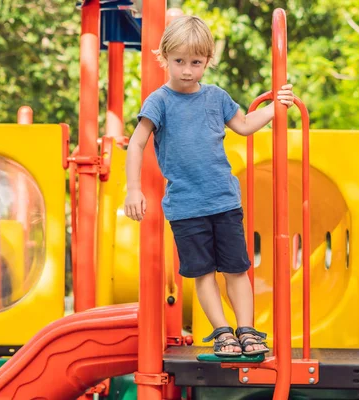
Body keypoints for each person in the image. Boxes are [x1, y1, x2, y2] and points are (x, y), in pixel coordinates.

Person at [124, 15, 295, 356]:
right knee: (202, 273)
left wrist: (277, 107)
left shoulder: (216, 97)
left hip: (223, 200)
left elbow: (244, 125)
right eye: (179, 62)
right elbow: (137, 143)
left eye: (196, 63)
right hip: (186, 207)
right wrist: (133, 188)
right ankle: (222, 332)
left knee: (236, 268)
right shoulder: (159, 101)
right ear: (165, 58)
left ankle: (246, 330)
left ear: (208, 61)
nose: (187, 70)